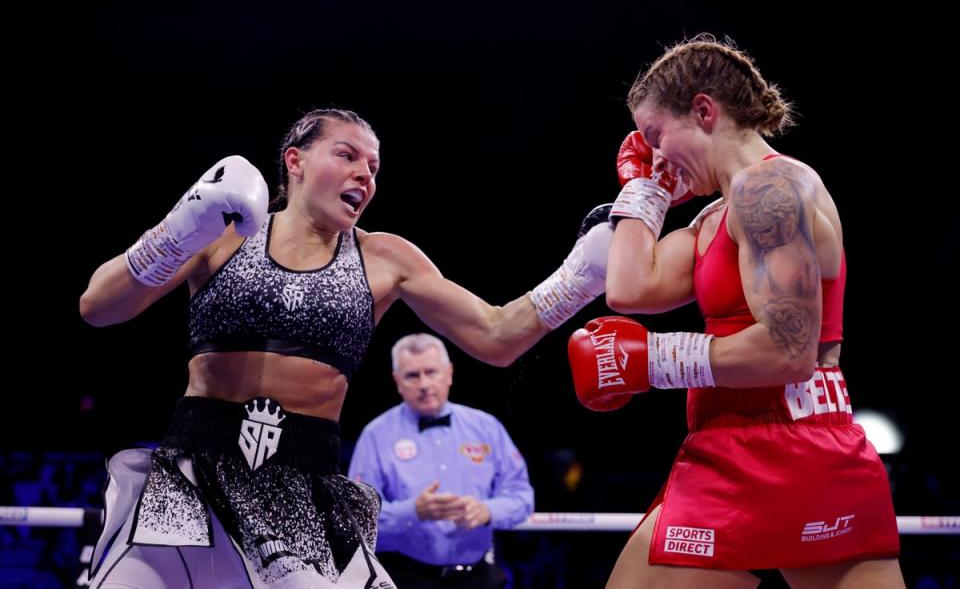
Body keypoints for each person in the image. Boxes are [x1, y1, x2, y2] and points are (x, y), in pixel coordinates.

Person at [78, 108, 611, 588]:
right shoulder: (224, 232)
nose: (366, 174)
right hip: (192, 468)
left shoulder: (385, 258)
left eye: (374, 167)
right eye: (347, 154)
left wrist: (582, 275)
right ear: (296, 161)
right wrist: (181, 226)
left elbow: (496, 337)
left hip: (302, 485)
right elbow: (98, 306)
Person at [567, 35, 904, 588]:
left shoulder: (770, 189)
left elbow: (789, 351)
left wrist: (654, 360)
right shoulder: (712, 218)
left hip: (794, 438)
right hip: (731, 440)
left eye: (657, 137)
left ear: (703, 110)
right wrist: (643, 189)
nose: (655, 155)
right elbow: (628, 289)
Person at [348, 333, 533, 588]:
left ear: (449, 373)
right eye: (413, 375)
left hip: (478, 576)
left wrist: (487, 511)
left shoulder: (486, 428)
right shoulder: (375, 436)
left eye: (431, 372)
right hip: (405, 577)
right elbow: (356, 519)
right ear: (397, 381)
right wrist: (413, 511)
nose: (424, 383)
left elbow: (522, 496)